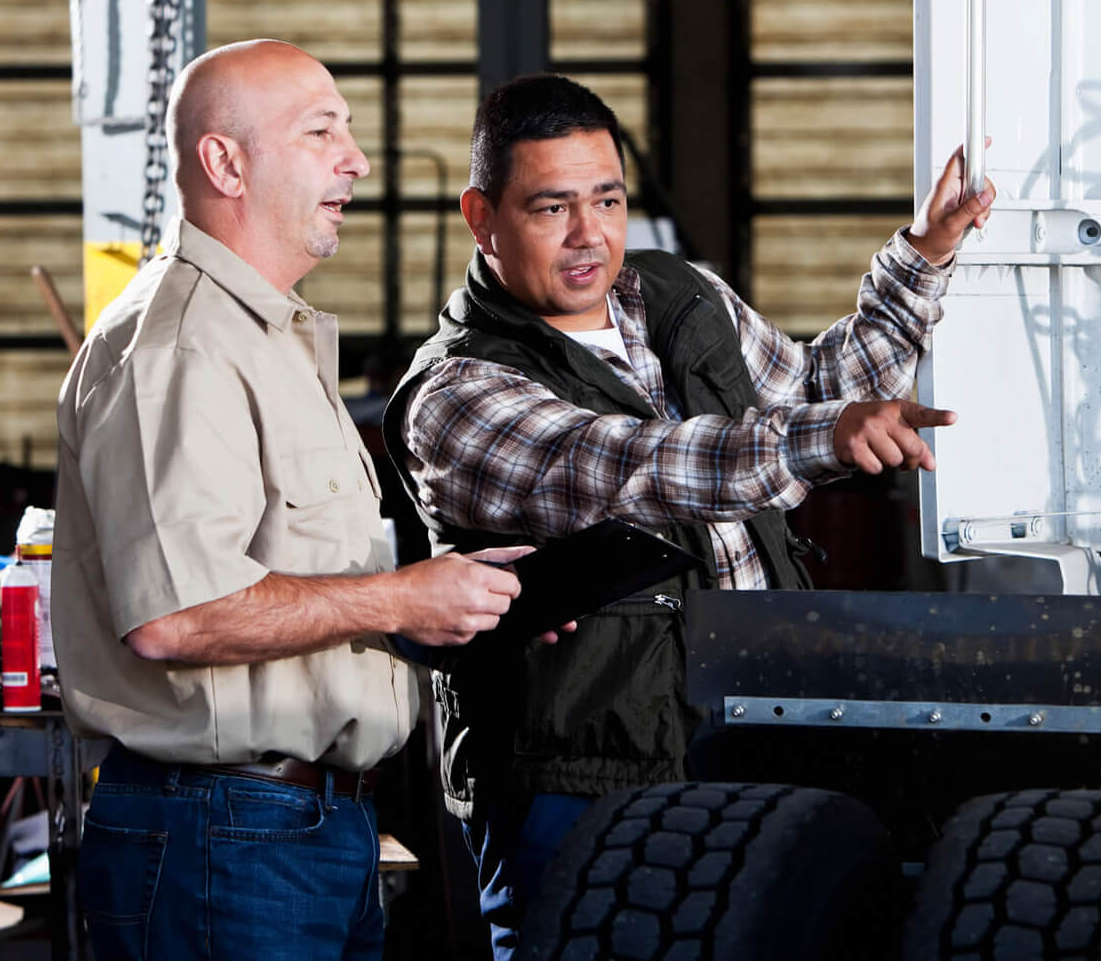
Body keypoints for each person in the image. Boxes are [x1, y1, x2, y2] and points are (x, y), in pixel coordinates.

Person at [380, 73, 992, 955]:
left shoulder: (674, 295)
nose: (590, 235)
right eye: (552, 208)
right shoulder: (457, 392)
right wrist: (815, 439)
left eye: (608, 199)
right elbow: (634, 467)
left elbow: (814, 389)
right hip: (577, 779)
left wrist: (921, 258)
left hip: (749, 739)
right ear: (482, 218)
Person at [53, 39, 528, 961]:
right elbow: (176, 617)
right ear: (224, 162)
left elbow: (293, 589)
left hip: (298, 830)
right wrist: (399, 598)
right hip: (222, 837)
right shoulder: (181, 350)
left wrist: (450, 606)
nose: (354, 158)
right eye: (320, 132)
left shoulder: (268, 338)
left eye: (347, 131)